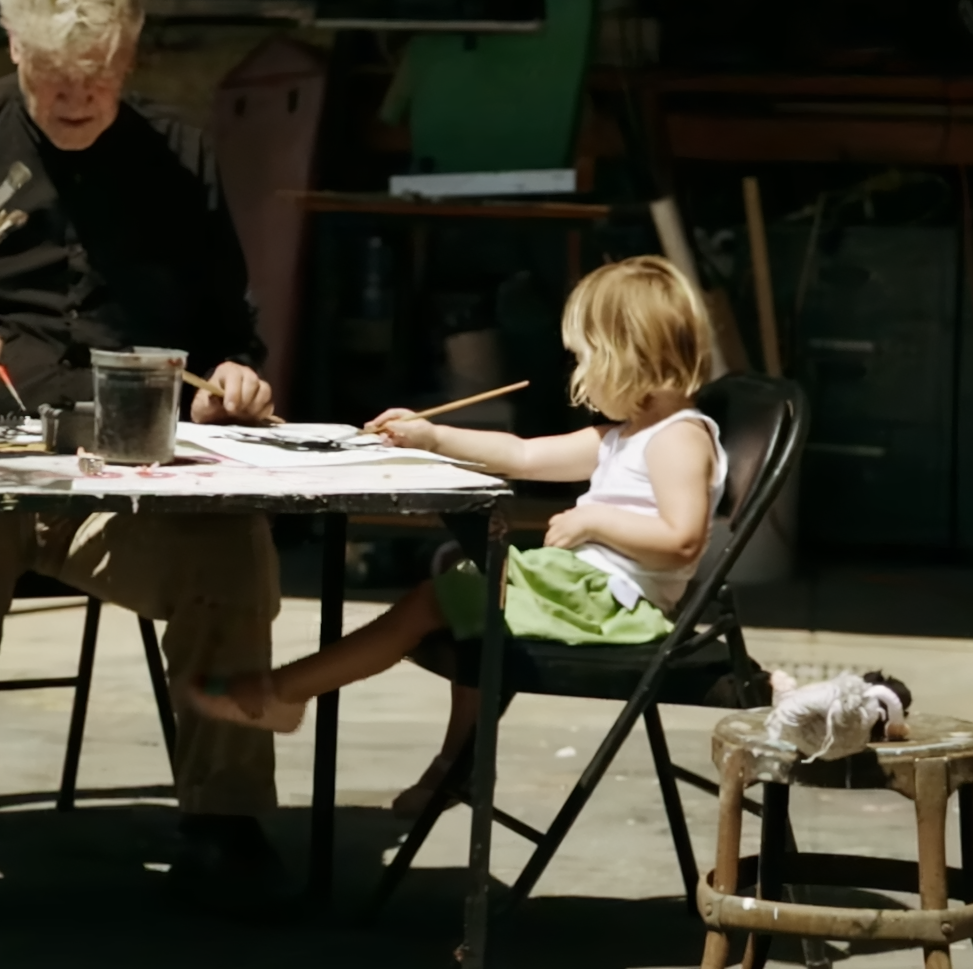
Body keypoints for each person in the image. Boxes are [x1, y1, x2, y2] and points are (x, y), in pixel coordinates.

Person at [0, 0, 290, 943]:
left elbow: (236, 338)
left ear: (131, 48)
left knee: (234, 536)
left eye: (95, 69)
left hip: (129, 479)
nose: (74, 93)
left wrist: (233, 378)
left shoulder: (180, 157)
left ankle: (224, 822)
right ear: (11, 45)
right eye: (51, 70)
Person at [184, 257, 728, 814]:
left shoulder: (677, 439)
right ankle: (459, 765)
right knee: (462, 591)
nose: (579, 375)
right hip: (587, 592)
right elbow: (523, 454)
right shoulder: (627, 435)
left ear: (624, 356)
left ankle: (283, 694)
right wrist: (431, 436)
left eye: (586, 358)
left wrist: (594, 521)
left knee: (438, 600)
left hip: (616, 605)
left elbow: (684, 539)